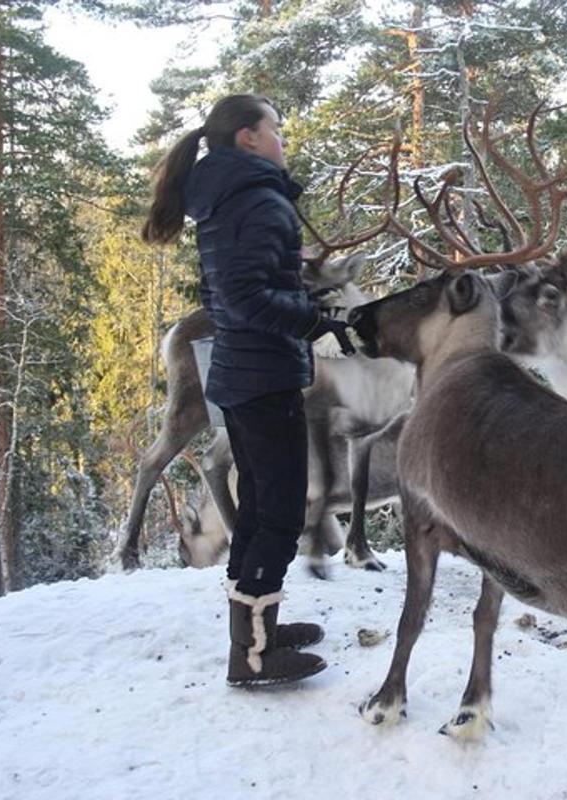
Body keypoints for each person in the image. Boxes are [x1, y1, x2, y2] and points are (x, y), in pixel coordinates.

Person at [142, 94, 353, 687]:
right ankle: (254, 654)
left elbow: (229, 295)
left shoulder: (225, 199)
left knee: (261, 507)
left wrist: (306, 310)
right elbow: (244, 298)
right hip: (264, 376)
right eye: (276, 128)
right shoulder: (255, 199)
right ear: (248, 139)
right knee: (279, 512)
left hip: (244, 371)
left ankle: (257, 633)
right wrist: (314, 323)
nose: (283, 138)